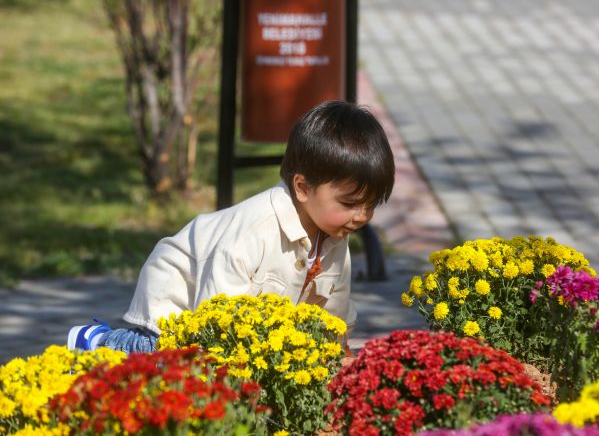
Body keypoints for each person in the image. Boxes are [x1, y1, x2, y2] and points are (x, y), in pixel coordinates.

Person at [67, 100, 396, 354]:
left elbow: (333, 316)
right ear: (303, 188)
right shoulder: (252, 234)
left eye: (371, 204)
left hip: (245, 318)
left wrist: (337, 355)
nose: (362, 216)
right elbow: (216, 321)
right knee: (170, 361)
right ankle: (101, 342)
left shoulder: (335, 235)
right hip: (180, 299)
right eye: (351, 204)